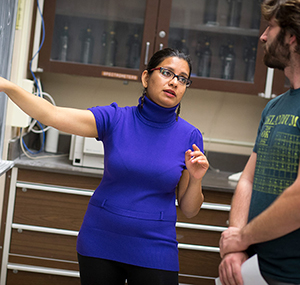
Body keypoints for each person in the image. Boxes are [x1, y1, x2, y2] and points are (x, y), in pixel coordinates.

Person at [0, 48, 209, 285]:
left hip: (156, 248)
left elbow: (190, 210)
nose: (174, 82)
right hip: (100, 241)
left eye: (182, 78)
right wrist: (8, 87)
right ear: (145, 77)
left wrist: (197, 178)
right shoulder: (115, 119)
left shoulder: (189, 136)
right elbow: (51, 115)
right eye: (166, 72)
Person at [218, 0, 300, 285]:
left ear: (291, 36)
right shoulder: (275, 107)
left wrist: (241, 239)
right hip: (253, 270)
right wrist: (235, 249)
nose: (263, 36)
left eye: (271, 27)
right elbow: (248, 179)